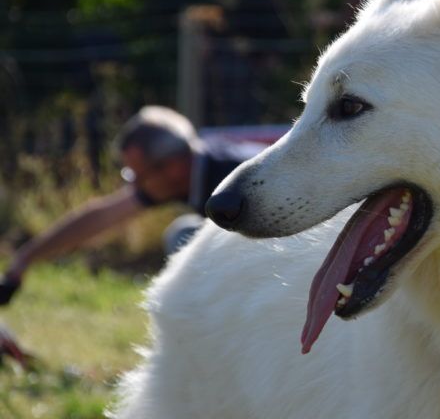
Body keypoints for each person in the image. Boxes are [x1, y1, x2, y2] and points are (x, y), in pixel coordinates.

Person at [0, 106, 266, 306]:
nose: (134, 187)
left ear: (173, 168)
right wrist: (25, 259)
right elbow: (100, 217)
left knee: (185, 238)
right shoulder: (183, 175)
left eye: (138, 176)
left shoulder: (233, 181)